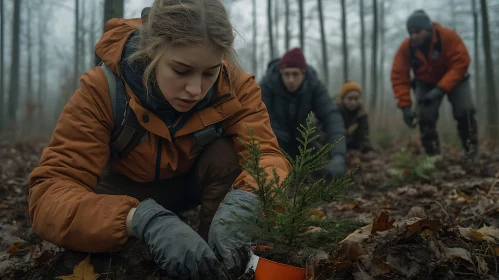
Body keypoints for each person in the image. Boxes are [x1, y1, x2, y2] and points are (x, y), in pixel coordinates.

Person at [28, 1, 290, 279]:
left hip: (189, 184)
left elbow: (267, 157)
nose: (195, 89)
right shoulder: (102, 90)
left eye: (209, 73)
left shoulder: (234, 86)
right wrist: (139, 219)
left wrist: (248, 200)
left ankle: (213, 259)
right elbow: (50, 194)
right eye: (180, 70)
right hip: (123, 195)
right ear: (152, 50)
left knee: (227, 156)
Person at [391, 10, 479, 162]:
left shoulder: (448, 37)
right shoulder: (406, 48)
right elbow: (399, 75)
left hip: (457, 80)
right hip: (425, 83)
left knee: (465, 112)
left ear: (428, 29)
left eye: (418, 32)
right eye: (411, 33)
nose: (414, 36)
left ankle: (472, 152)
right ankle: (432, 157)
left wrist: (440, 89)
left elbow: (461, 62)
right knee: (425, 117)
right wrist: (405, 106)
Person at [259, 48, 347, 180]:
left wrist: (339, 156)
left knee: (327, 172)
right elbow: (257, 122)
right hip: (275, 142)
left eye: (295, 74)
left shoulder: (314, 85)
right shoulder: (266, 86)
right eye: (286, 74)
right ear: (280, 73)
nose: (291, 80)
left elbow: (332, 117)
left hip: (303, 141)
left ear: (304, 73)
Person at [335, 81, 373, 154]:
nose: (353, 102)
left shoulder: (362, 114)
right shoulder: (334, 112)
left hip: (353, 147)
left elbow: (363, 135)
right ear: (343, 99)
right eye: (350, 98)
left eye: (356, 99)